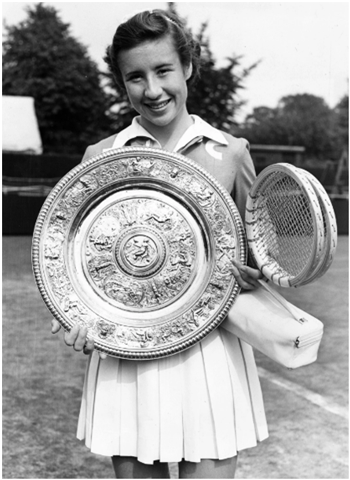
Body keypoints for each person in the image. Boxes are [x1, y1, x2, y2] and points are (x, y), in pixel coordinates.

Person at [51, 9, 268, 479]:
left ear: (187, 67)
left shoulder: (231, 152)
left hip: (210, 357)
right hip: (128, 357)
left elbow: (259, 258)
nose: (152, 90)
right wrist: (75, 315)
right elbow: (70, 259)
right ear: (122, 83)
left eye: (164, 70)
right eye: (136, 77)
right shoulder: (99, 158)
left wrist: (256, 276)